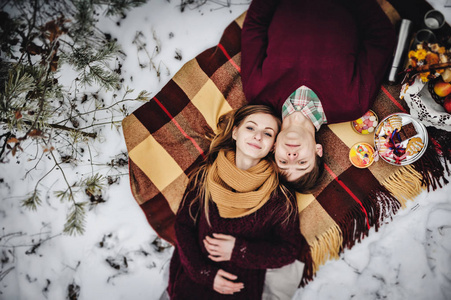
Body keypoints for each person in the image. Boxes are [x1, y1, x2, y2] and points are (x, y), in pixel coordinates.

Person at [241, 0, 397, 192]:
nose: (292, 156)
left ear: (273, 148)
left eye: (283, 161)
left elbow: (254, 27)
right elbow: (381, 38)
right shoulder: (352, 103)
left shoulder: (257, 93)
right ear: (318, 151)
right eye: (302, 163)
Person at [167, 105, 304, 299]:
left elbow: (288, 250)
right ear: (235, 132)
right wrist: (204, 274)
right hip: (193, 283)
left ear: (273, 145)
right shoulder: (206, 176)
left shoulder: (279, 196)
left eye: (267, 133)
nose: (258, 136)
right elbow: (183, 226)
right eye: (250, 128)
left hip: (240, 290)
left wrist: (239, 250)